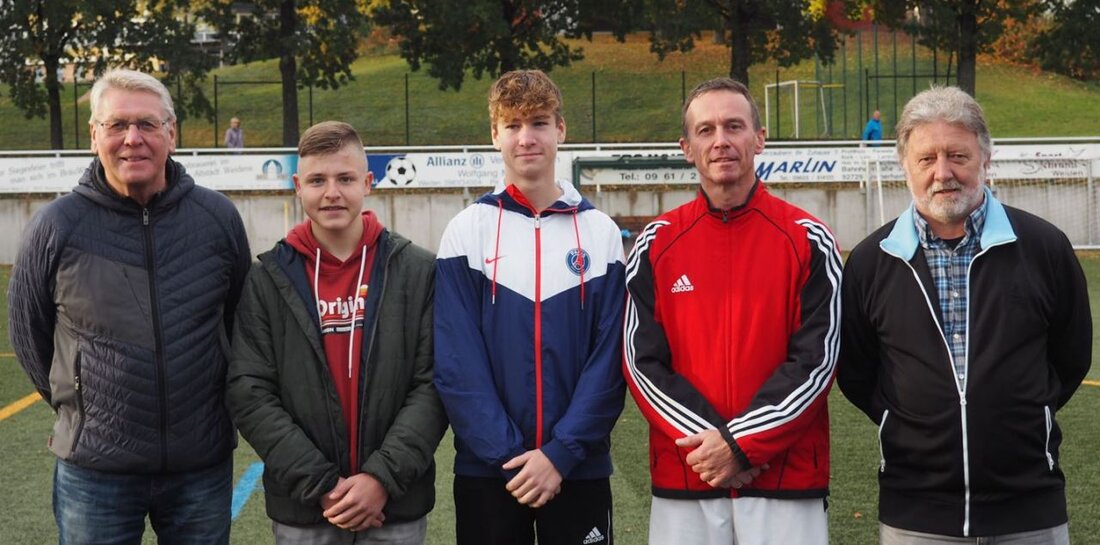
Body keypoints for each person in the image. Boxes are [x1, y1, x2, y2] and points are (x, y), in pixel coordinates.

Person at [837, 86, 1091, 544]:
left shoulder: (1044, 247)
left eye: (957, 155)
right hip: (915, 513)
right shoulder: (872, 261)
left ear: (985, 159)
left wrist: (1026, 411)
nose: (943, 173)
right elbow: (856, 372)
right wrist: (904, 419)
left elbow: (1070, 358)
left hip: (1030, 507)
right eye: (926, 159)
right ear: (905, 166)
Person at [7, 68, 251, 544]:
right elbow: (29, 333)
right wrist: (83, 408)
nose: (132, 138)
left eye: (147, 124)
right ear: (94, 135)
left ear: (171, 134)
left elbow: (239, 322)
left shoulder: (216, 218)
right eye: (117, 124)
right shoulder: (56, 226)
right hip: (95, 470)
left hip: (199, 465)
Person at [623, 77, 841, 545]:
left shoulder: (809, 239)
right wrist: (716, 448)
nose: (720, 140)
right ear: (687, 148)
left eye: (734, 126)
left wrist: (742, 444)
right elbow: (642, 365)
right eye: (706, 130)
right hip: (689, 477)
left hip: (784, 479)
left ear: (759, 139)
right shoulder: (656, 244)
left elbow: (817, 363)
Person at [227, 121, 447, 544]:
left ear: (368, 182)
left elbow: (433, 384)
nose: (332, 192)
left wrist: (380, 479)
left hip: (393, 504)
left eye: (345, 178)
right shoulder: (267, 279)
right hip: (306, 508)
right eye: (317, 181)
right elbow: (249, 391)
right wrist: (322, 485)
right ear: (297, 187)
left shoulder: (417, 271)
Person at [434, 70, 626, 545]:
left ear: (560, 129)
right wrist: (510, 457)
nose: (526, 138)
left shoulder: (601, 234)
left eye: (539, 123)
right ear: (494, 134)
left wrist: (560, 454)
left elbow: (610, 361)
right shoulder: (466, 231)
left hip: (578, 467)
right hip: (490, 471)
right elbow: (457, 362)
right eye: (513, 125)